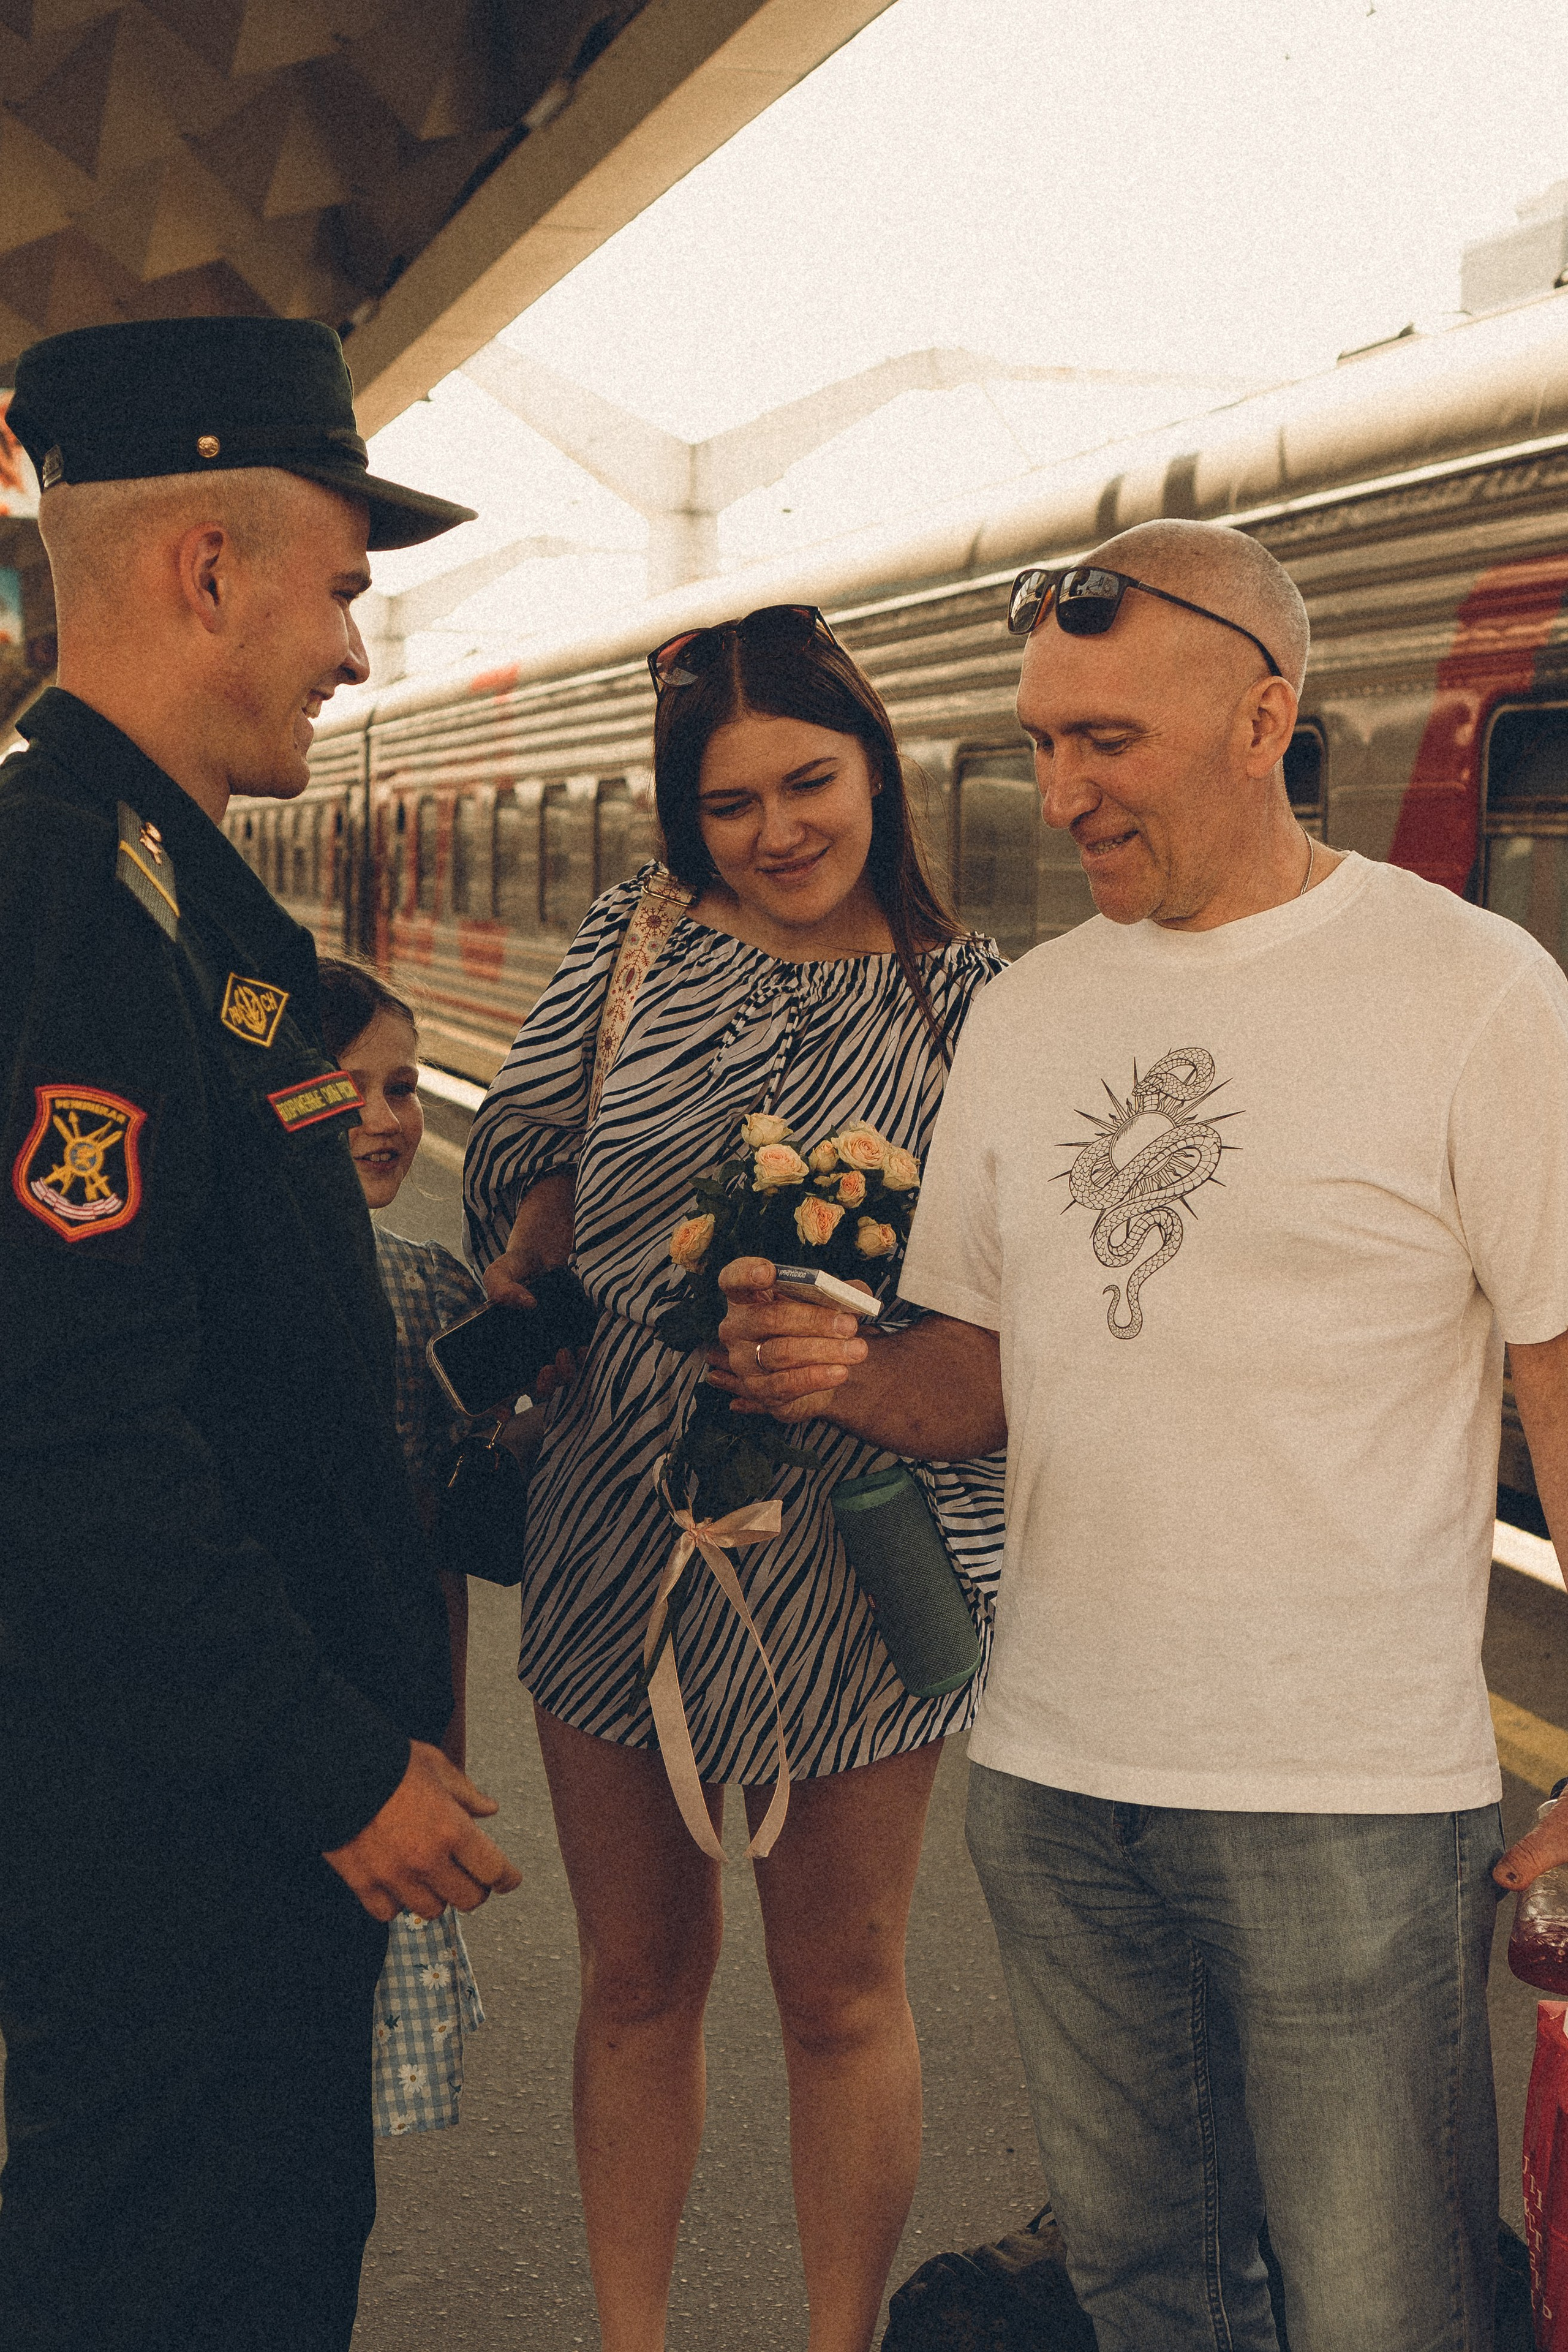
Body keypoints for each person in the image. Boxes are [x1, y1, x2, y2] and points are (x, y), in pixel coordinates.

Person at [714, 520, 1568, 2352]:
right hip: (1058, 1783)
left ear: (1266, 718)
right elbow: (980, 1373)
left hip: (1344, 1800)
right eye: (1040, 744)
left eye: (1109, 739)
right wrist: (837, 1373)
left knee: (1379, 2311)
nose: (1065, 789)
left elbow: (1566, 1377)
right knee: (1151, 2295)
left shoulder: (1475, 992)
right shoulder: (1032, 1013)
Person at [0, 316, 519, 2352]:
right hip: (183, 1835)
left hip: (227, 1829)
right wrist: (329, 1763)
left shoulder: (170, 901)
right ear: (203, 568)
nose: (354, 651)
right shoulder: (66, 897)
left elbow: (246, 1350)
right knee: (173, 2283)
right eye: (338, 590)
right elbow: (66, 1426)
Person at [464, 603, 1008, 2352]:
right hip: (621, 1506)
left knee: (840, 1988)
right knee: (638, 1979)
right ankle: (635, 2338)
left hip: (862, 1531)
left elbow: (1008, 1303)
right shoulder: (632, 943)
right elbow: (525, 1158)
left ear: (878, 773)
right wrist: (536, 1255)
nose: (775, 829)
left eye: (808, 782)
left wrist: (853, 1348)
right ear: (681, 818)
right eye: (728, 802)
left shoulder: (974, 1001)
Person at [317, 955, 488, 2137]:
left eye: (405, 1087)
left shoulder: (429, 1294)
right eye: (350, 1094)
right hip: (298, 1727)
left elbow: (446, 1538)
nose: (385, 1121)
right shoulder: (222, 1291)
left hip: (396, 1721)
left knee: (332, 2095)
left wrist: (449, 1728)